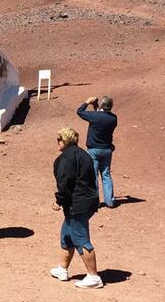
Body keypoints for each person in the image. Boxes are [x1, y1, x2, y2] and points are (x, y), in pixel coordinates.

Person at [50, 126, 103, 289]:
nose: (57, 142)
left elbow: (65, 182)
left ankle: (94, 277)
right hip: (87, 201)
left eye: (59, 139)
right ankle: (62, 269)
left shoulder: (66, 158)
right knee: (67, 235)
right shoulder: (83, 154)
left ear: (65, 140)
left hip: (77, 204)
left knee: (80, 238)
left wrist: (59, 201)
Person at [76, 96, 118, 209]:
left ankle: (94, 202)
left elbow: (79, 112)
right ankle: (110, 201)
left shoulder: (95, 116)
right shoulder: (114, 118)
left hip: (94, 150)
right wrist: (96, 106)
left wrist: (87, 102)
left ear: (102, 105)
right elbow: (101, 117)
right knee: (106, 175)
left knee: (93, 175)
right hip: (107, 149)